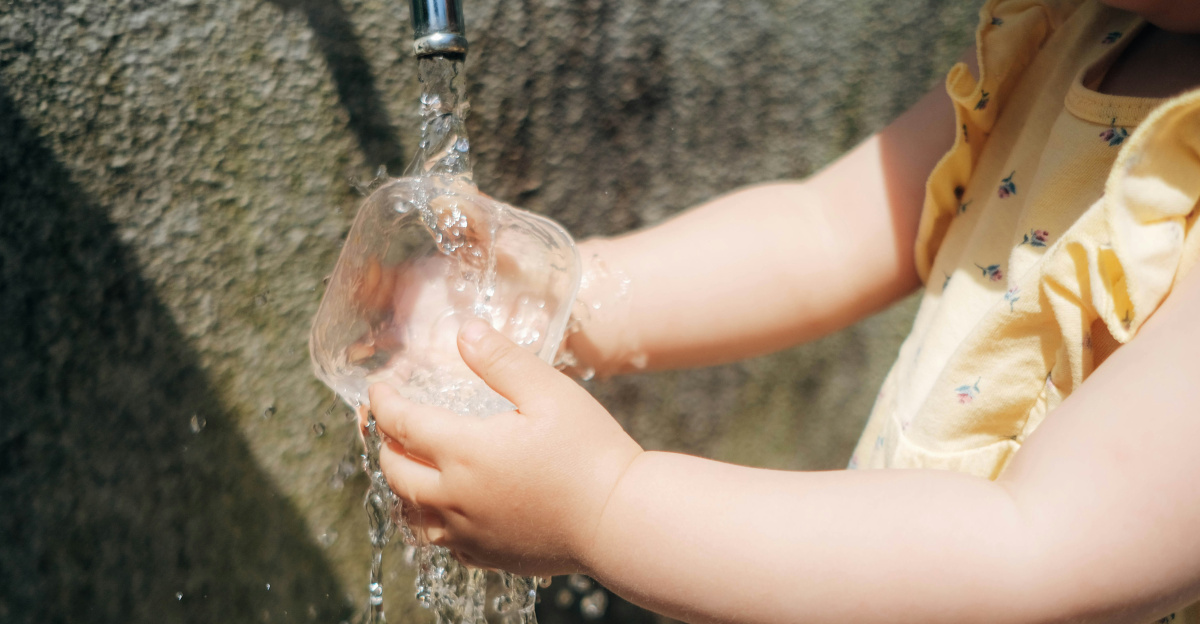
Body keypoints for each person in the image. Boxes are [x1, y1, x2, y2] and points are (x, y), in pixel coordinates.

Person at [367, 1, 1200, 621]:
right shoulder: (1080, 29)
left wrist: (607, 508)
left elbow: (1032, 553)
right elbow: (827, 232)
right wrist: (558, 299)